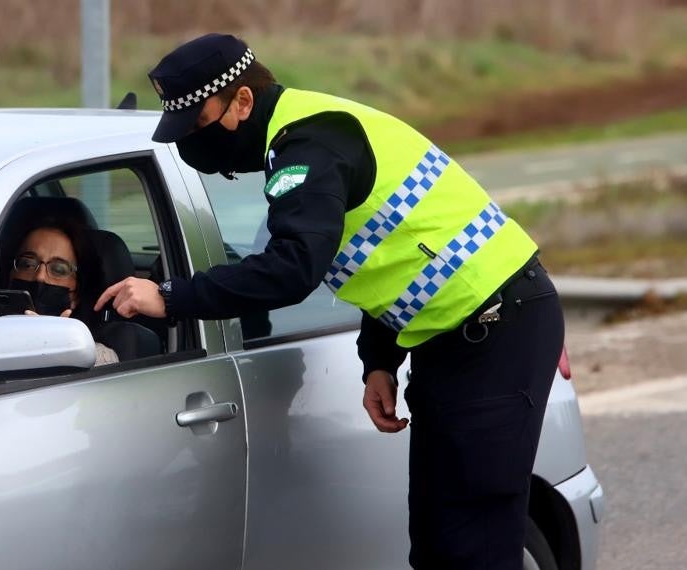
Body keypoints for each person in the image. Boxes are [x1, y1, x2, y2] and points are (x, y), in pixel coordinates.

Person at [96, 33, 565, 569]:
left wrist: (172, 297)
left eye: (200, 125)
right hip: (454, 335)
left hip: (498, 328)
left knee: (473, 543)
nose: (195, 144)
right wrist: (380, 361)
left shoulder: (310, 143)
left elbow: (293, 268)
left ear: (243, 100)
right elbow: (393, 252)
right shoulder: (302, 134)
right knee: (438, 544)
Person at [0, 207, 119, 367]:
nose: (40, 276)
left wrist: (53, 350)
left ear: (76, 295)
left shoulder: (97, 357)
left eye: (59, 269)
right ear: (10, 274)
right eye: (28, 263)